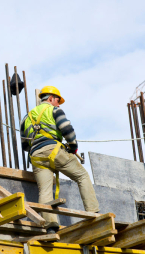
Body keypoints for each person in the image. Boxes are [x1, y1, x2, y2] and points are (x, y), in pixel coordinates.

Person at [20, 86, 100, 234]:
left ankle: (50, 227)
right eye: (57, 100)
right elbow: (67, 129)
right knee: (82, 176)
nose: (58, 104)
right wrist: (73, 146)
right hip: (54, 151)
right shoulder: (54, 110)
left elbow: (25, 145)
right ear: (50, 98)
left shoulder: (26, 117)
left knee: (44, 191)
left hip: (36, 156)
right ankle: (93, 213)